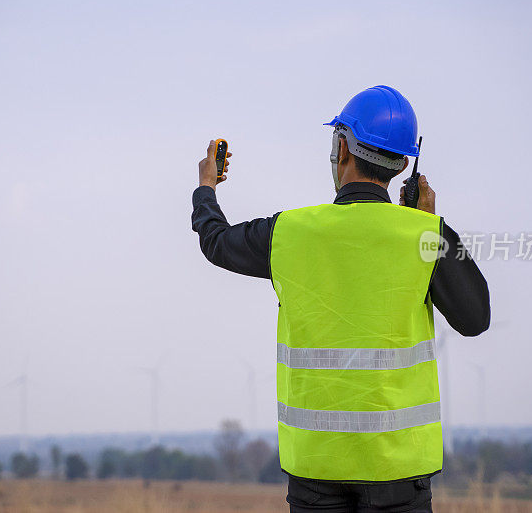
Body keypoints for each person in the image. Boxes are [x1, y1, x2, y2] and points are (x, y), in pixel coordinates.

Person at [191, 86, 490, 512]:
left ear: (343, 148)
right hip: (399, 469)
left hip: (316, 467)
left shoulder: (289, 233)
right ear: (404, 163)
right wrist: (427, 226)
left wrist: (206, 188)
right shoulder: (427, 236)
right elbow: (475, 318)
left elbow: (216, 242)